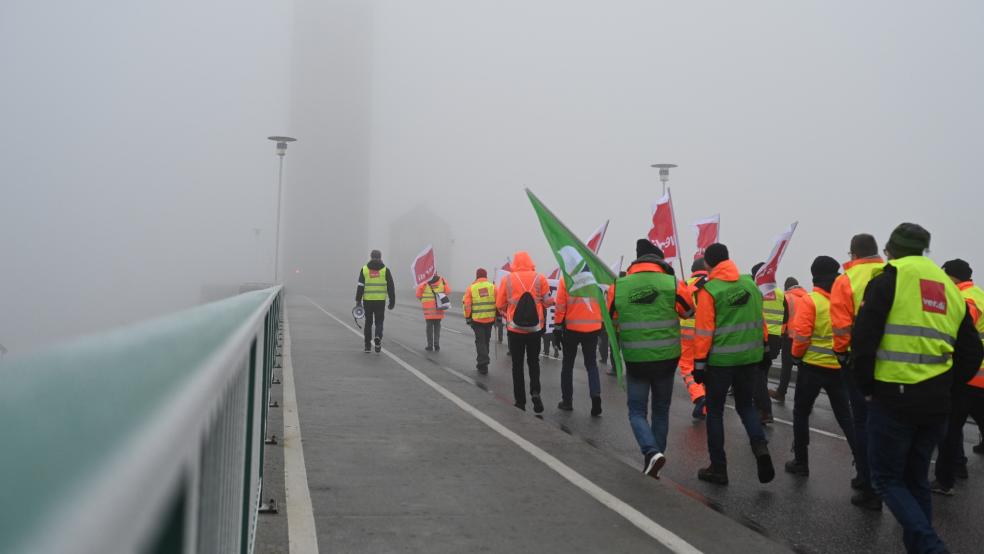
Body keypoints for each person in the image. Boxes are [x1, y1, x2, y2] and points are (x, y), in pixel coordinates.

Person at [851, 223, 982, 554]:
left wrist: (866, 387)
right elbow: (972, 351)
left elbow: (864, 339)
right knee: (917, 480)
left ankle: (931, 547)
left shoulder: (888, 279)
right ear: (924, 250)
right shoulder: (949, 289)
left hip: (893, 397)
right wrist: (948, 387)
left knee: (887, 479)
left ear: (890, 249)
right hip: (937, 400)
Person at [610, 239, 694, 477]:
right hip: (667, 358)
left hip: (636, 358)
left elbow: (612, 319)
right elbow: (689, 311)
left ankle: (651, 453)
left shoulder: (620, 285)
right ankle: (656, 455)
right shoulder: (672, 283)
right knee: (661, 409)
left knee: (636, 411)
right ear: (659, 261)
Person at [693, 243, 775, 485]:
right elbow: (760, 320)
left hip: (720, 363)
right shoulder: (749, 284)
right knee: (746, 407)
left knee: (715, 413)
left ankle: (718, 468)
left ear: (708, 264)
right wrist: (765, 348)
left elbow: (704, 331)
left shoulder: (710, 291)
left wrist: (699, 364)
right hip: (749, 359)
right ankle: (760, 448)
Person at [785, 256, 866, 491]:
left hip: (811, 367)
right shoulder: (844, 300)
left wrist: (797, 357)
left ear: (814, 276)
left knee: (801, 413)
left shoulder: (811, 301)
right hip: (838, 367)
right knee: (846, 418)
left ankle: (801, 461)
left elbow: (801, 336)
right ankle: (862, 466)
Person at [829, 233, 884, 510]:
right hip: (892, 362)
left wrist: (842, 354)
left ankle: (868, 482)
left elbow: (840, 327)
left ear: (853, 254)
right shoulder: (890, 273)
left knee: (862, 422)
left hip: (859, 360)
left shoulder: (846, 279)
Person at [931, 259, 984, 495]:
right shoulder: (979, 293)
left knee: (950, 429)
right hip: (979, 375)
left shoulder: (965, 299)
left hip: (969, 375)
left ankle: (945, 480)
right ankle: (959, 466)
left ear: (953, 277)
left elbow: (960, 328)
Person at [496, 251, 553, 412]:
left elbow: (500, 304)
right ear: (530, 262)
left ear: (515, 263)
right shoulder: (540, 278)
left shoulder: (507, 279)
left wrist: (508, 310)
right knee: (534, 362)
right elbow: (548, 302)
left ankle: (520, 400)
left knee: (517, 364)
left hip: (515, 329)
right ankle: (535, 392)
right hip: (535, 329)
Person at [554, 271, 606, 416]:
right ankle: (596, 396)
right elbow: (603, 302)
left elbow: (560, 305)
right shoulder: (594, 278)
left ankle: (567, 401)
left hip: (572, 328)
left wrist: (557, 327)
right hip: (593, 328)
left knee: (568, 365)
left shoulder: (566, 279)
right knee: (591, 365)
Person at [750, 262, 780, 424]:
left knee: (758, 377)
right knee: (762, 375)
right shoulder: (781, 294)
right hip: (775, 338)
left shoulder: (755, 292)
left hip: (760, 337)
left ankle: (764, 410)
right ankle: (760, 407)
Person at [679, 258, 709, 419]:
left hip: (688, 333)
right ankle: (706, 405)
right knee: (705, 367)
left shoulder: (685, 284)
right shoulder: (715, 283)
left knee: (687, 366)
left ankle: (699, 397)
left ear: (692, 270)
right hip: (710, 333)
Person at [770, 277, 807, 402]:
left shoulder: (787, 297)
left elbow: (784, 318)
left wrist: (780, 335)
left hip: (789, 337)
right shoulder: (807, 297)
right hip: (803, 338)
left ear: (786, 287)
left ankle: (781, 392)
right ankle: (804, 397)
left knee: (786, 367)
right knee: (803, 369)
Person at [355, 249, 396, 353]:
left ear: (371, 257)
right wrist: (392, 301)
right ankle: (377, 337)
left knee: (368, 323)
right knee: (379, 322)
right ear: (380, 257)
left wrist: (358, 300)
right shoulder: (385, 270)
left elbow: (360, 286)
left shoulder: (364, 269)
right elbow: (391, 286)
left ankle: (367, 346)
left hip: (368, 301)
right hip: (380, 301)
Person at [464, 268, 496, 374]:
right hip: (490, 319)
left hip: (477, 320)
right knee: (486, 341)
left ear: (477, 276)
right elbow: (499, 301)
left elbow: (467, 304)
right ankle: (483, 361)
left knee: (480, 341)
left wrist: (468, 317)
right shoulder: (492, 287)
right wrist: (499, 316)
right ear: (486, 276)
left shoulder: (471, 288)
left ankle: (483, 363)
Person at [415, 274, 451, 352]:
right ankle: (437, 344)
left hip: (428, 309)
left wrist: (422, 299)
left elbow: (418, 295)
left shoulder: (424, 282)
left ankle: (430, 345)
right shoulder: (442, 280)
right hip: (439, 307)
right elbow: (448, 291)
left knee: (429, 327)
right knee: (437, 326)